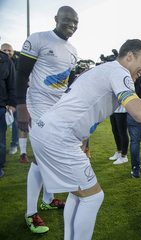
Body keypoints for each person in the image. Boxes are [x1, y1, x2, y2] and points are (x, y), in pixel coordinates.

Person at [29, 39, 141, 240]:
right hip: (59, 137)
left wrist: (82, 145)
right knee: (93, 197)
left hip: (46, 131)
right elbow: (140, 113)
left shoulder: (103, 69)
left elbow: (83, 107)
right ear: (129, 56)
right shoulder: (119, 72)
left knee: (78, 194)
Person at [16, 6, 79, 234]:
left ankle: (49, 199)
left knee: (50, 156)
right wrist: (22, 106)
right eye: (67, 20)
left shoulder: (73, 51)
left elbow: (68, 85)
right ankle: (31, 213)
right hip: (36, 106)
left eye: (75, 22)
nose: (72, 25)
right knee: (42, 157)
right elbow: (21, 73)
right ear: (56, 19)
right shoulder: (38, 39)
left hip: (57, 110)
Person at [1, 43, 29, 163]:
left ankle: (14, 145)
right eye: (5, 50)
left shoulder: (18, 62)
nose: (7, 52)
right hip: (5, 99)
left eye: (9, 50)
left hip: (17, 99)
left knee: (18, 123)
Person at [0, 48, 16, 178]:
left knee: (0, 140)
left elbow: (12, 84)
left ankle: (0, 166)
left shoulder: (5, 60)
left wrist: (12, 104)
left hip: (0, 106)